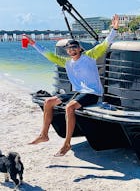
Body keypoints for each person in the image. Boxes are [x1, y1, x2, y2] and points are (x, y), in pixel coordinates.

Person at [27, 14, 119, 157]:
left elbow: (105, 44)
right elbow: (48, 55)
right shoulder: (67, 63)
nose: (71, 50)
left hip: (92, 93)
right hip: (78, 93)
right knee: (48, 101)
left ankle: (67, 143)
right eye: (69, 49)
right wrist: (33, 44)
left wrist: (114, 29)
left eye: (74, 47)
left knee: (69, 107)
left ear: (80, 48)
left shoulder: (89, 56)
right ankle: (44, 134)